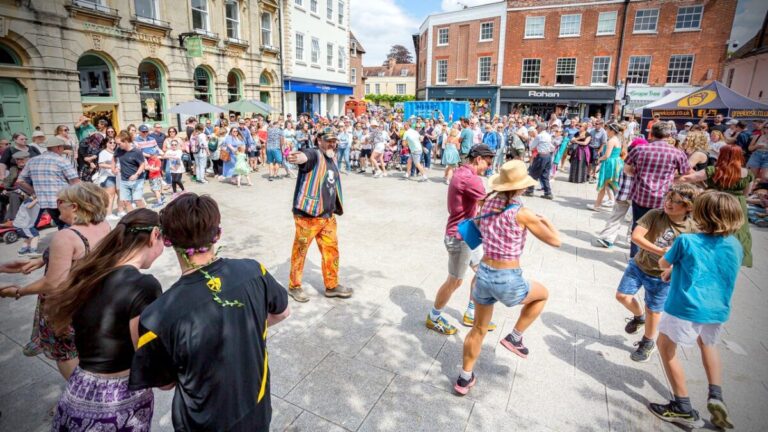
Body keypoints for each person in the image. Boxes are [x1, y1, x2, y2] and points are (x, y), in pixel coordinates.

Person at [129, 194, 290, 431]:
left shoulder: (157, 316)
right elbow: (282, 312)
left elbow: (165, 383)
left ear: (167, 240)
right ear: (217, 234)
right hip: (256, 410)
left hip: (202, 422)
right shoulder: (255, 271)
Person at [45, 209, 163, 431]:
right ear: (155, 235)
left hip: (77, 389)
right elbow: (148, 357)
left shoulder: (89, 274)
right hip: (117, 402)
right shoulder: (144, 286)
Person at [454, 160, 560, 396]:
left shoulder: (488, 203)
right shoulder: (522, 213)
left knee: (478, 329)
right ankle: (515, 337)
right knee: (542, 295)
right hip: (507, 277)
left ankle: (464, 378)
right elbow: (556, 241)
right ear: (521, 187)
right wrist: (547, 222)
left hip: (483, 274)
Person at [649, 191, 743, 429]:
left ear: (700, 213)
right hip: (717, 309)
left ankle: (682, 406)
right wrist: (677, 270)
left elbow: (663, 263)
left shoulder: (685, 241)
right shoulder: (735, 244)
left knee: (665, 347)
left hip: (685, 306)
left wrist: (671, 267)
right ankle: (716, 395)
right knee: (708, 345)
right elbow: (711, 269)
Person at [0, 183, 110, 379]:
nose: (56, 205)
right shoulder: (104, 226)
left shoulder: (66, 236)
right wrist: (42, 259)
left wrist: (18, 292)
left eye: (60, 201)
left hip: (66, 305)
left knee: (66, 353)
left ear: (75, 206)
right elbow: (82, 257)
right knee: (89, 348)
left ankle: (78, 398)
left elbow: (53, 283)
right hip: (95, 299)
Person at [615, 184, 700, 363]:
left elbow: (692, 256)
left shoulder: (692, 229)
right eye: (668, 198)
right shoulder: (655, 214)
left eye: (676, 202)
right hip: (639, 265)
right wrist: (663, 252)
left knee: (654, 310)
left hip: (662, 276)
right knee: (622, 296)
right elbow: (637, 237)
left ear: (688, 207)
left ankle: (648, 342)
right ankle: (639, 317)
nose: (669, 203)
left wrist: (674, 265)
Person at [426, 145, 496, 335]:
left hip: (467, 230)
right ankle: (434, 317)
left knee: (482, 271)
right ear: (478, 159)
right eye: (488, 163)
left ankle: (471, 313)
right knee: (454, 281)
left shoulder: (462, 172)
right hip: (459, 236)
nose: (488, 167)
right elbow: (491, 205)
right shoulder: (471, 178)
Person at [285, 127, 352, 302]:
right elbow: (304, 156)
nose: (332, 143)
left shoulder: (332, 157)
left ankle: (332, 286)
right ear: (319, 141)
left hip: (327, 216)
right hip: (307, 217)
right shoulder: (314, 154)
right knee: (300, 251)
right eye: (328, 140)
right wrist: (297, 157)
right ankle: (294, 286)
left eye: (334, 140)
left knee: (332, 251)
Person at [676, 145, 754, 267]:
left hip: (714, 202)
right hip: (736, 204)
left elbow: (687, 178)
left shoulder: (714, 170)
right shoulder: (748, 173)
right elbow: (747, 193)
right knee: (736, 229)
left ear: (722, 155)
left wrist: (669, 179)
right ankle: (731, 256)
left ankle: (707, 255)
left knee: (709, 226)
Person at [624, 122, 690, 257]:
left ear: (651, 134)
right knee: (661, 230)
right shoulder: (677, 153)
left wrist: (638, 173)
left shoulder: (639, 149)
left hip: (641, 196)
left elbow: (627, 170)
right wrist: (671, 177)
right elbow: (685, 174)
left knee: (638, 228)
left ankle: (635, 258)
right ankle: (655, 257)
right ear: (669, 135)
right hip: (664, 199)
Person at [17, 137, 80, 229]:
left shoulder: (32, 161)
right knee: (72, 225)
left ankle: (63, 241)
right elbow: (75, 182)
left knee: (61, 224)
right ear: (58, 148)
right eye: (62, 147)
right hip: (64, 199)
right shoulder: (61, 160)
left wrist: (34, 192)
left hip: (45, 200)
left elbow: (20, 181)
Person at [589, 122, 625, 210]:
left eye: (608, 129)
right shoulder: (618, 139)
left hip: (610, 163)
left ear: (612, 131)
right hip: (616, 162)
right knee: (608, 184)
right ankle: (603, 203)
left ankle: (602, 204)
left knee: (605, 184)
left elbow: (606, 155)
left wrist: (599, 159)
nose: (606, 131)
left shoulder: (611, 140)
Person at [113, 131, 146, 212]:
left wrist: (136, 175)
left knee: (137, 200)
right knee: (126, 201)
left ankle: (146, 216)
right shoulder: (118, 150)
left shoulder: (136, 152)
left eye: (119, 143)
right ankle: (133, 218)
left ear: (126, 141)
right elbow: (113, 158)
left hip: (137, 179)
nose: (117, 145)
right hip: (124, 179)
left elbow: (142, 165)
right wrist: (113, 169)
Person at [524, 123, 554, 199]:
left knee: (533, 173)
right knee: (545, 175)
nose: (537, 129)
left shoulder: (539, 136)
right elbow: (552, 147)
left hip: (541, 156)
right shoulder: (548, 135)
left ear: (540, 128)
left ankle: (529, 191)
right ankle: (548, 192)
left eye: (537, 128)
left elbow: (531, 146)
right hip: (548, 156)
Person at [96, 137, 119, 218]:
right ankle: (108, 214)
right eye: (110, 142)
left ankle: (120, 211)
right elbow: (101, 164)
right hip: (107, 177)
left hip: (116, 176)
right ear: (106, 143)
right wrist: (112, 166)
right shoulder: (103, 153)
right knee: (110, 196)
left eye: (114, 142)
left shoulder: (115, 152)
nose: (113, 144)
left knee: (120, 194)